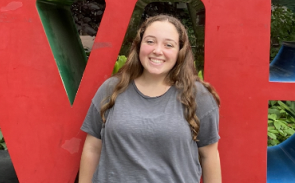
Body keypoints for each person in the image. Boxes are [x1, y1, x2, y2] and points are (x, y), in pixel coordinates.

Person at [79, 14, 221, 183]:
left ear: (180, 52)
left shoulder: (198, 96)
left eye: (168, 45)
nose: (157, 50)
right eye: (150, 41)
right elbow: (93, 147)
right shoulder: (112, 89)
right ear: (139, 45)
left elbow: (209, 155)